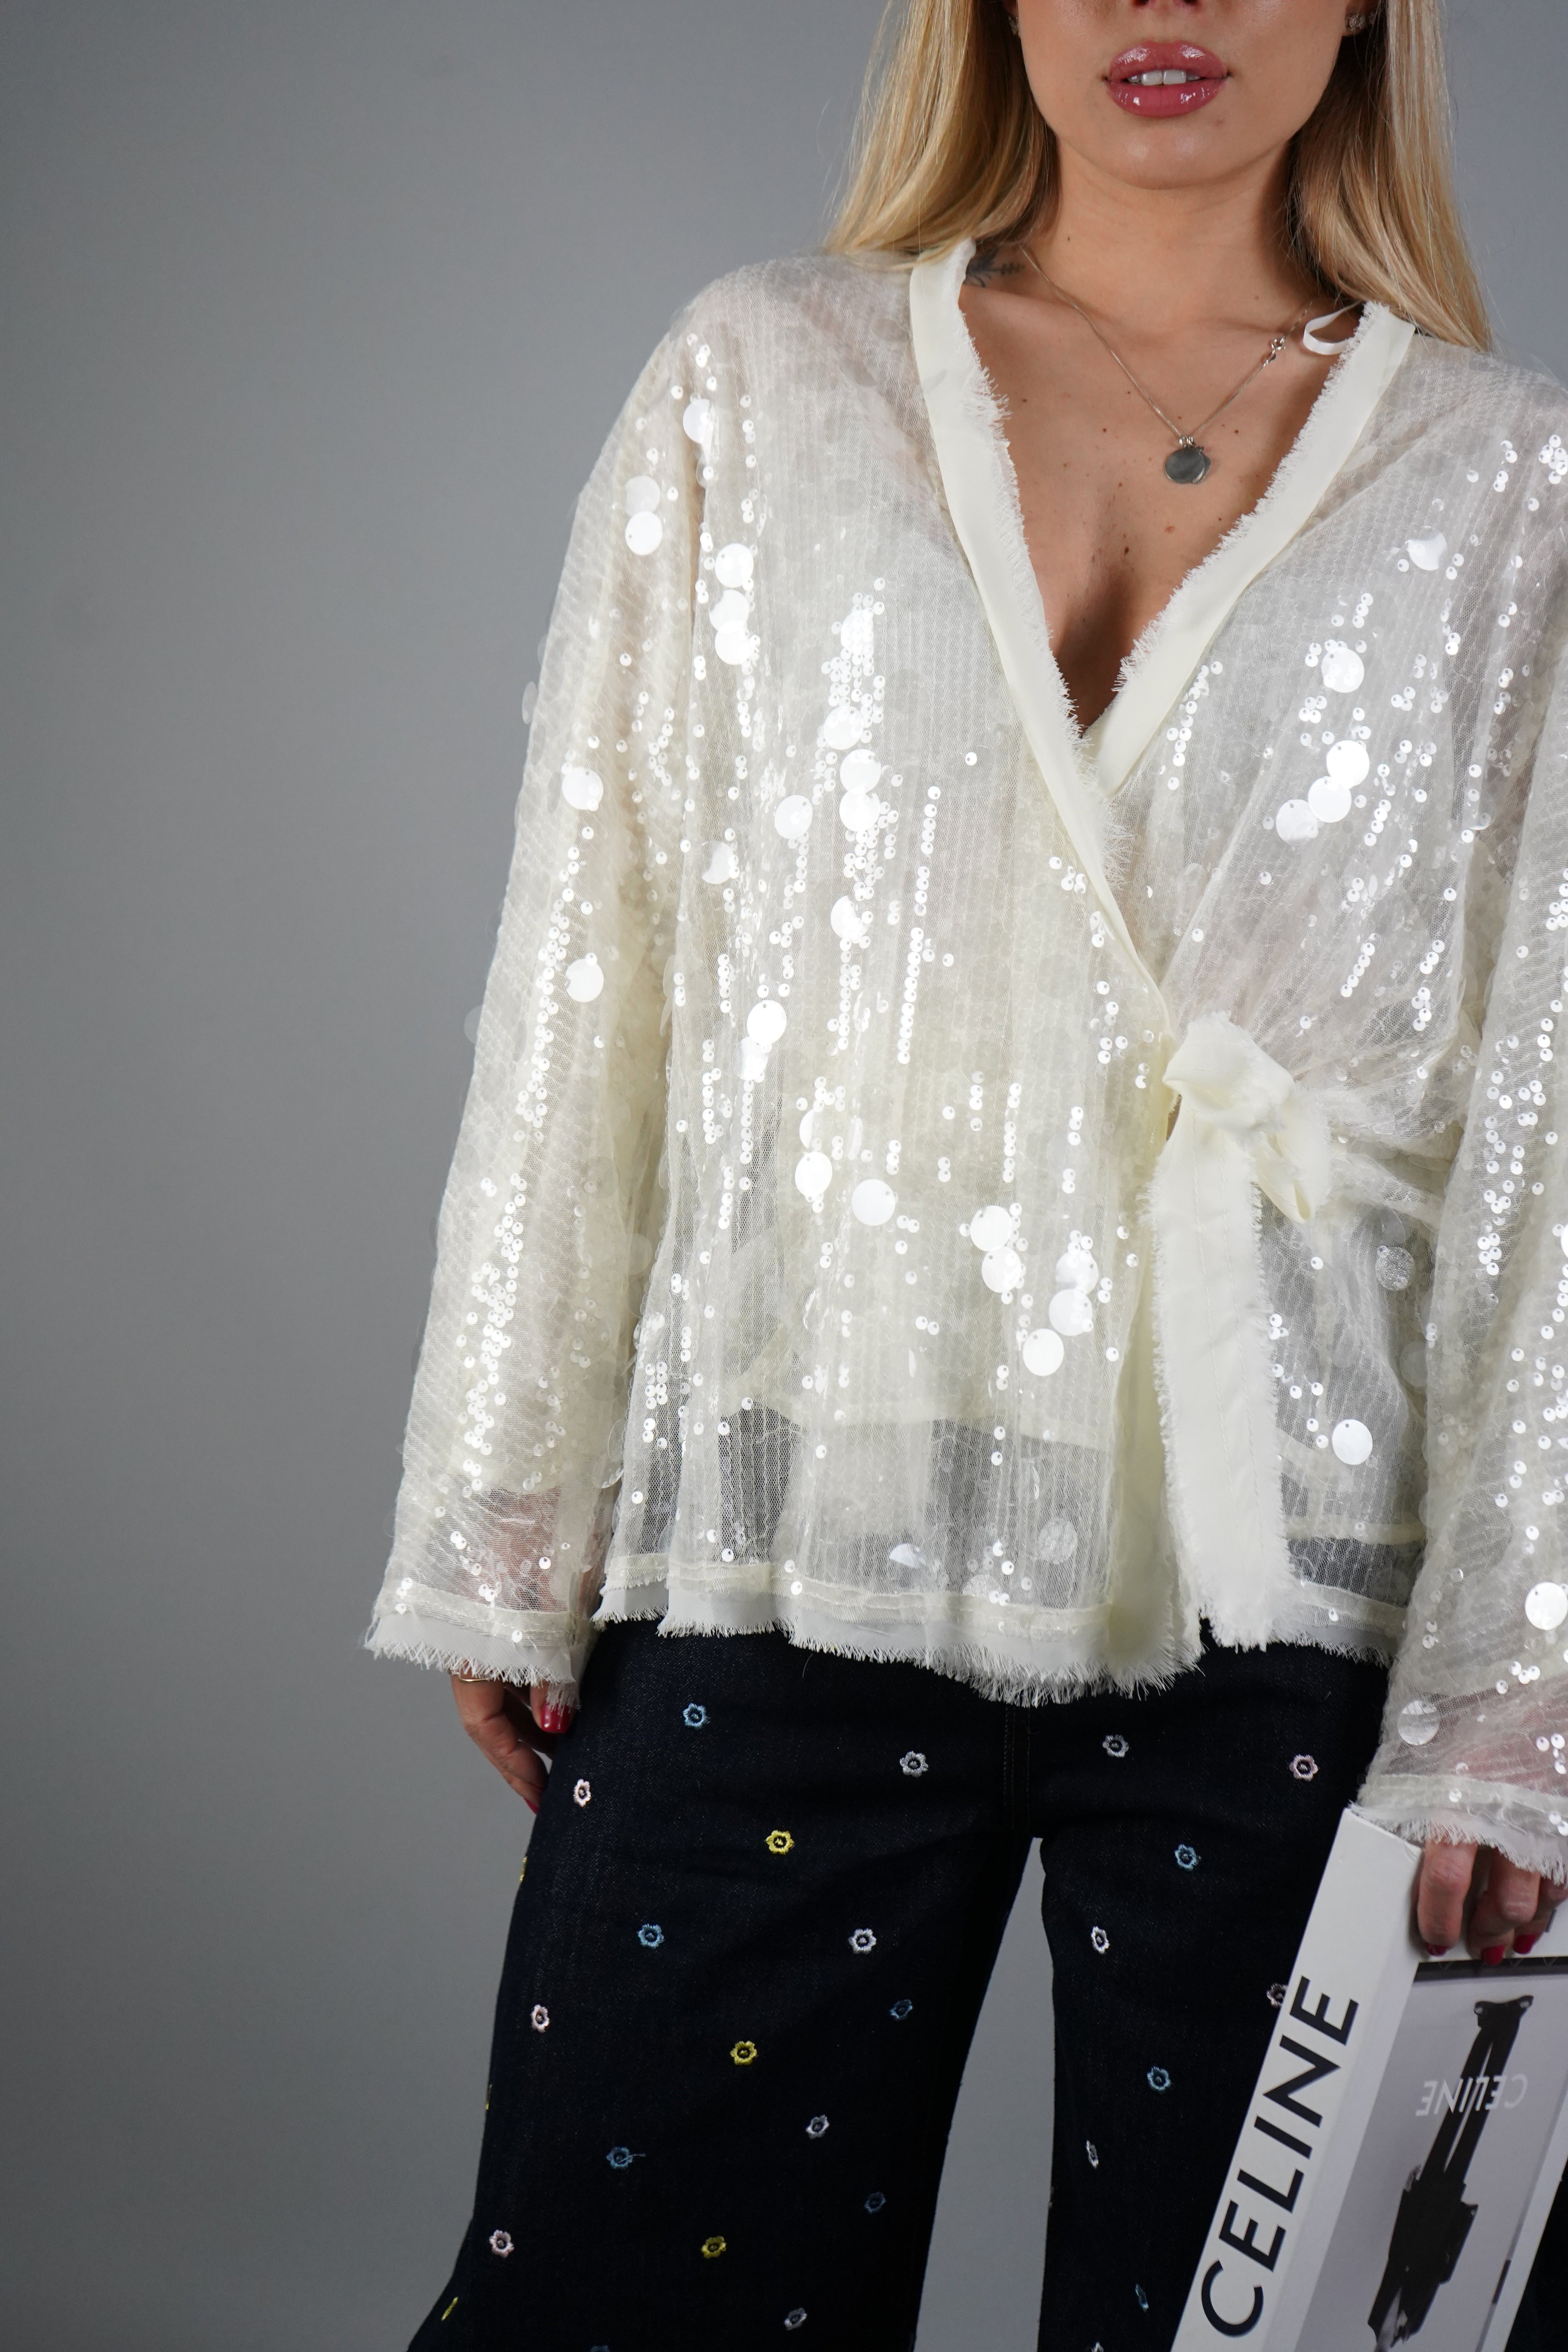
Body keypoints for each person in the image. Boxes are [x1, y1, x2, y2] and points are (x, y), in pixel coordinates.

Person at [369, 4, 1568, 2344]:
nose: (1163, 2)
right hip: (792, 1534)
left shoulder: (1510, 485)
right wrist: (511, 1506)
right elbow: (597, 956)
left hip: (1297, 1606)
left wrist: (1517, 1702)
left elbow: (1556, 1111)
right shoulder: (764, 380)